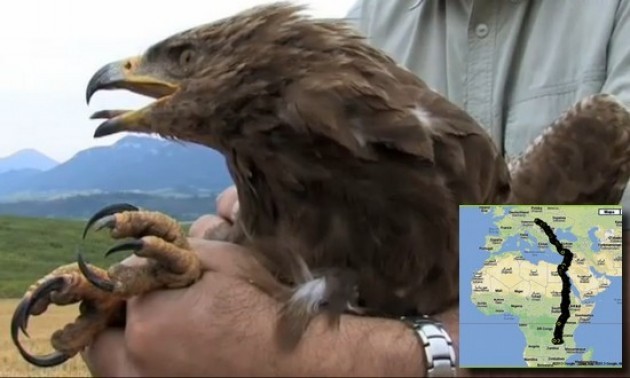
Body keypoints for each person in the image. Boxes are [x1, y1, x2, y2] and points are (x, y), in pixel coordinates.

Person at [82, 0, 630, 376]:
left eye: (183, 59)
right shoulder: (366, 26)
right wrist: (222, 270)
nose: (129, 71)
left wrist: (395, 357)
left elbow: (589, 315)